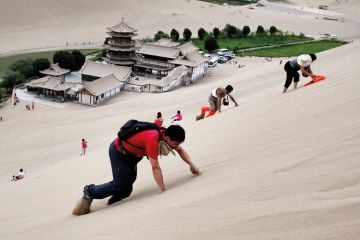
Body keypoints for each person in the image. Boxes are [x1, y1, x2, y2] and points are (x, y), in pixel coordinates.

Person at [72, 124, 201, 216]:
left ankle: (111, 202)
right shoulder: (152, 139)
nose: (177, 147)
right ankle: (90, 191)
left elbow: (180, 150)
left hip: (133, 156)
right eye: (176, 144)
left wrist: (191, 165)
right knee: (120, 184)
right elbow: (155, 167)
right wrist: (163, 190)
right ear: (167, 138)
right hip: (119, 152)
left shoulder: (166, 133)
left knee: (127, 190)